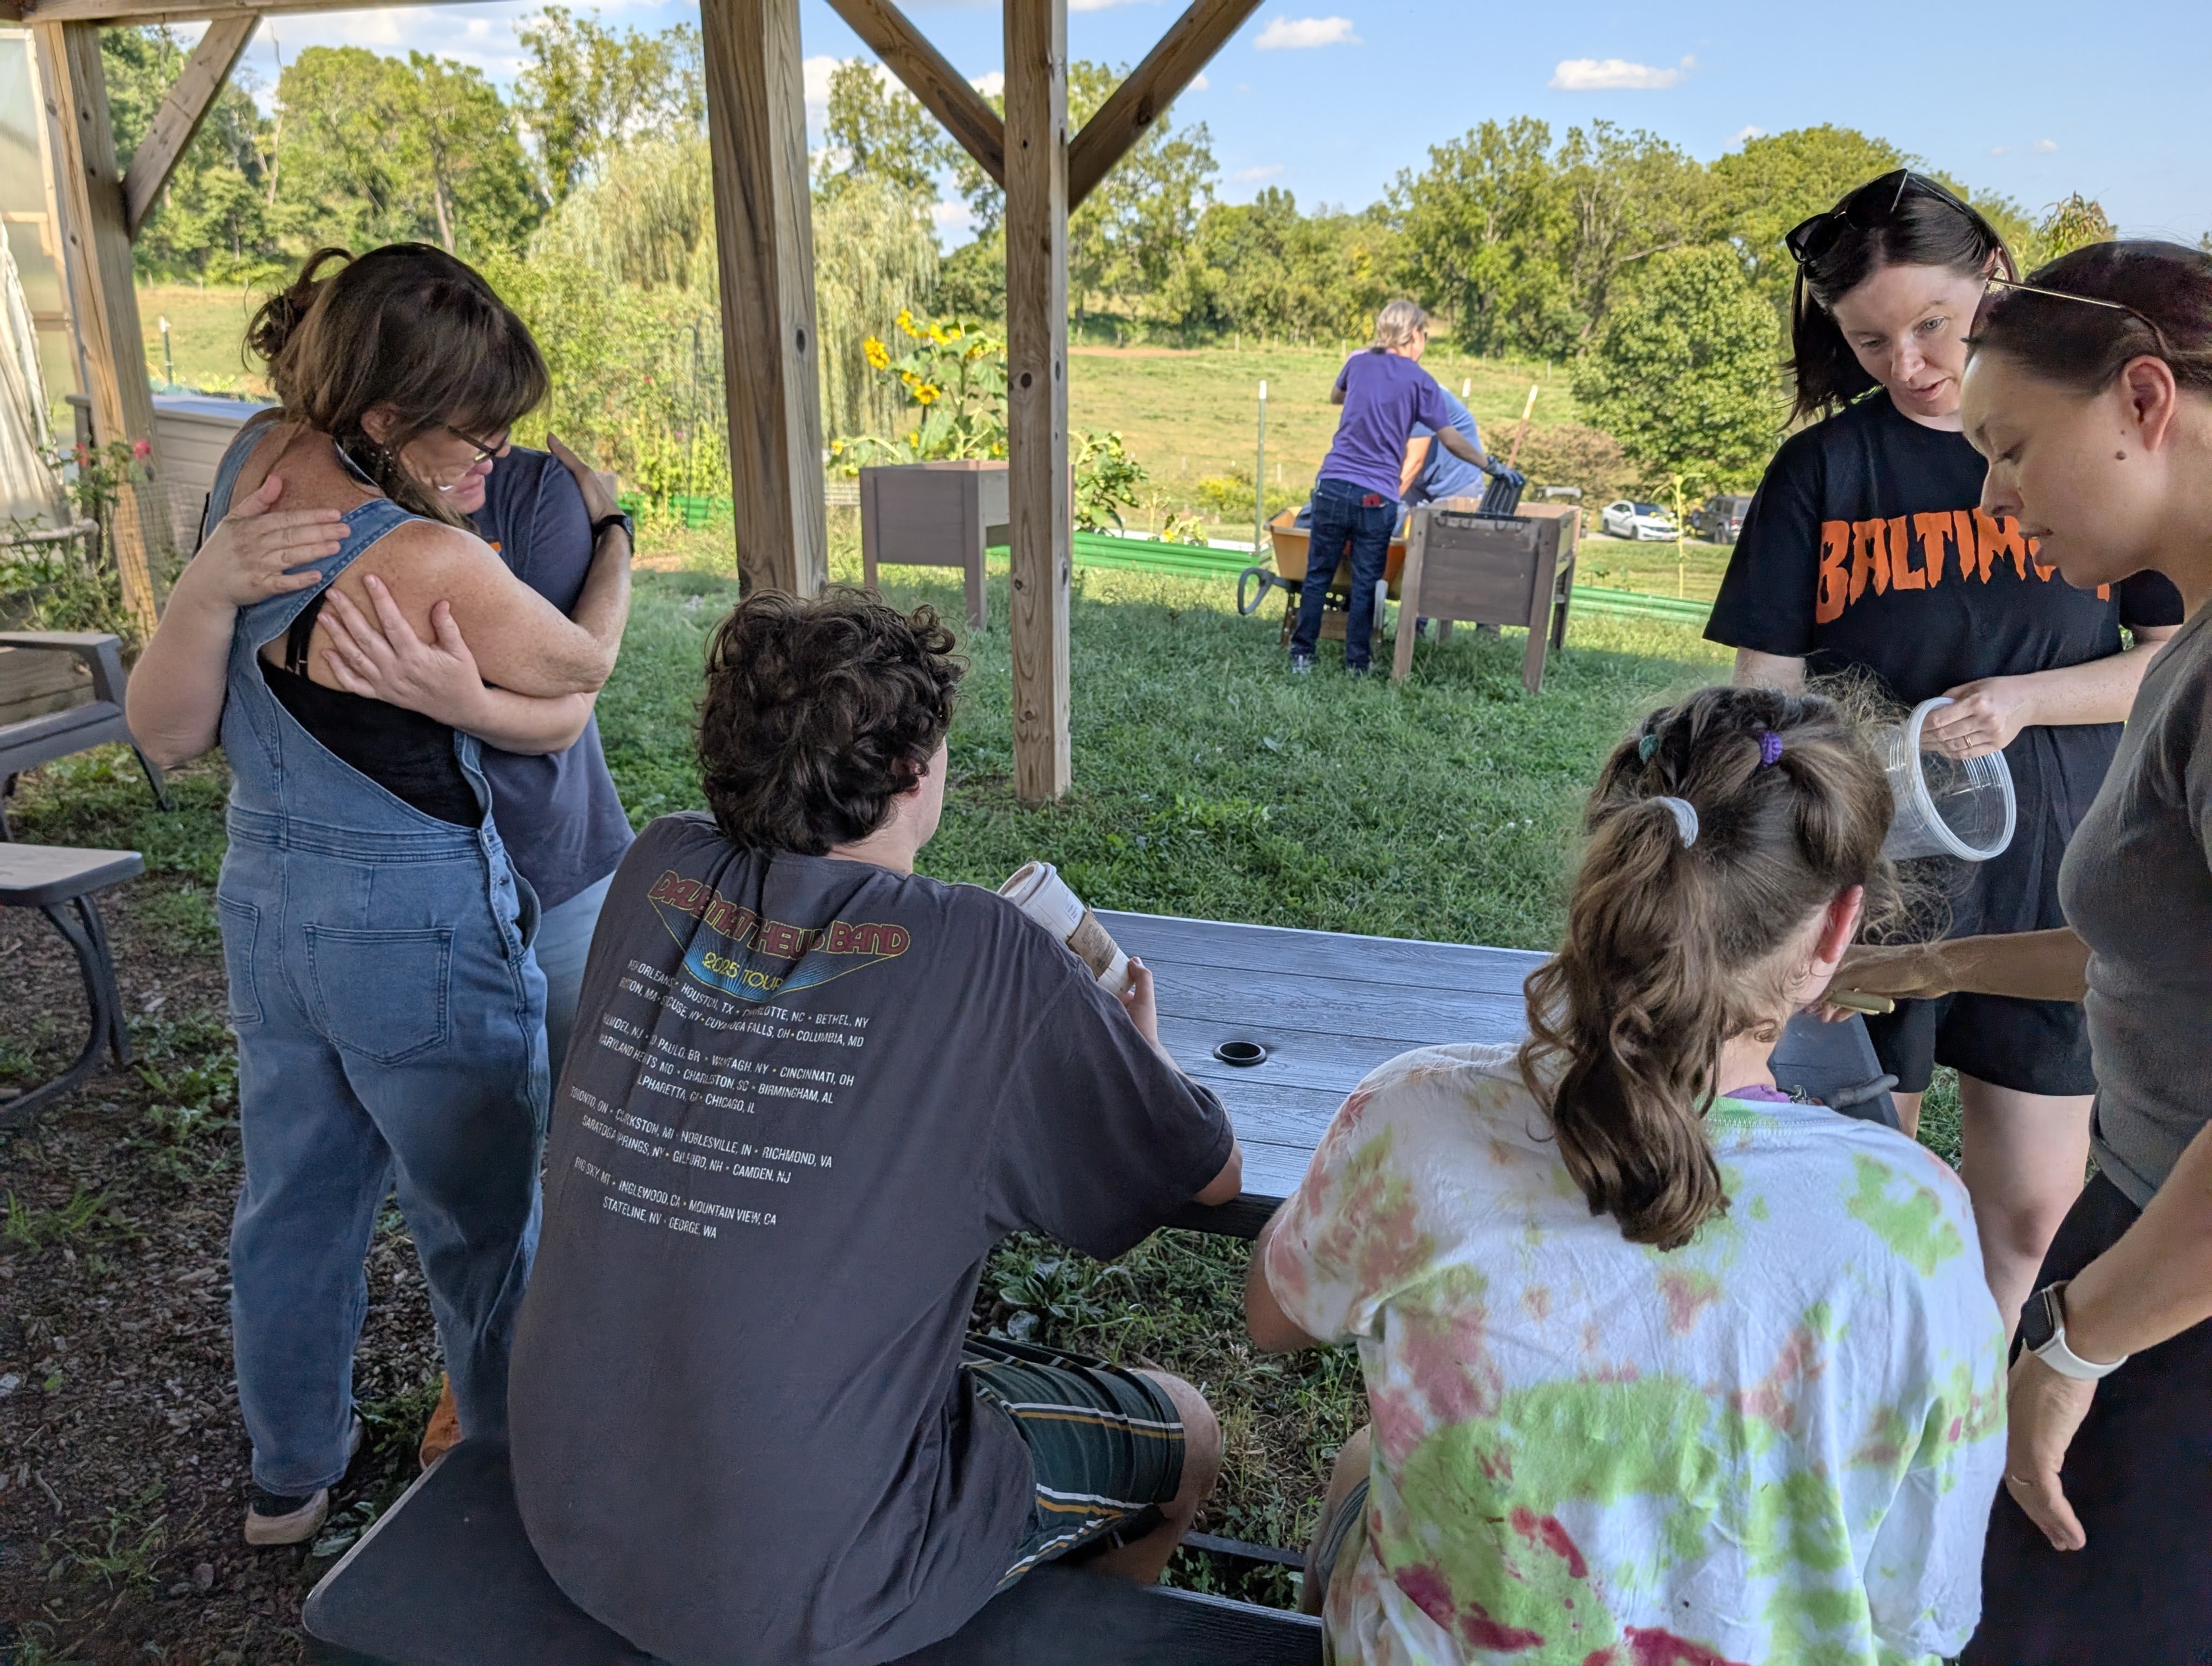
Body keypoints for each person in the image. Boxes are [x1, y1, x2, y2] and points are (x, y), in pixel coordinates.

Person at [507, 590, 1244, 1666]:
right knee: (1188, 1434)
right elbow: (1207, 1177)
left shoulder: (655, 868)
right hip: (808, 1584)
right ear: (916, 771)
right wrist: (1147, 1055)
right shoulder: (991, 955)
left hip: (573, 1499)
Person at [1247, 684, 2008, 1666]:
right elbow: (1926, 1614)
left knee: (1365, 1455)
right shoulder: (1918, 1224)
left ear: (1608, 874)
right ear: (1835, 933)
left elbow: (1274, 1320)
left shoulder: (1411, 1120)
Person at [124, 244, 626, 1546]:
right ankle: (515, 1473)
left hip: (266, 904)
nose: (497, 465)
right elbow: (583, 665)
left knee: (292, 1195)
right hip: (412, 924)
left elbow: (168, 728)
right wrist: (612, 540)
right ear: (389, 423)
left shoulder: (259, 460)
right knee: (478, 1220)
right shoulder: (424, 561)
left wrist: (210, 586)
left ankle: (289, 1472)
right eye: (478, 436)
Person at [1705, 169, 2185, 1335]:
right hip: (1884, 865)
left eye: (1932, 324)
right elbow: (1759, 690)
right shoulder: (1826, 470)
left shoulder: (2106, 464)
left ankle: (1972, 1408)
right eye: (1871, 342)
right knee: (1873, 1182)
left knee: (2029, 1212)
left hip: (2063, 860)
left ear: (1997, 284)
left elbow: (2167, 662)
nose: (1908, 360)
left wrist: (2026, 698)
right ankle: (1873, 1395)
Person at [1832, 240, 2212, 1663]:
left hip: (2177, 1289)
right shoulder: (2183, 655)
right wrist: (1916, 973)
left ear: (2142, 402)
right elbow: (2163, 960)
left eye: (2010, 448)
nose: (1990, 492)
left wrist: (2078, 1343)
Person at [307, 439, 635, 1072]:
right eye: (465, 434)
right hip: (406, 898)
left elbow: (569, 701)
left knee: (591, 1104)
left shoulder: (532, 490)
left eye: (498, 432)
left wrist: (615, 535)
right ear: (386, 419)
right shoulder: (327, 500)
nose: (491, 454)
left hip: (556, 863)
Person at [1289, 300, 1500, 675]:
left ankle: (1302, 656)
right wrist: (1491, 465)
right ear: (1415, 335)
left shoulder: (1357, 362)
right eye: (1425, 335)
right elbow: (1450, 439)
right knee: (1367, 580)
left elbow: (1335, 397)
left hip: (1334, 484)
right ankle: (1357, 664)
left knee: (1319, 573)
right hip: (1377, 496)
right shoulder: (1422, 383)